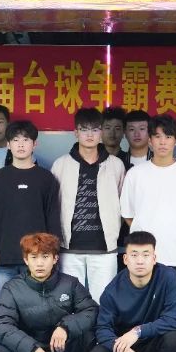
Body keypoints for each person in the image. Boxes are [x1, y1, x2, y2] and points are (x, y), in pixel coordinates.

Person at [0, 232, 98, 352]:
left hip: (60, 351)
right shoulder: (12, 287)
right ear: (26, 260)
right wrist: (32, 349)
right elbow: (0, 324)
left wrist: (65, 327)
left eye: (45, 256)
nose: (39, 263)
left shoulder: (71, 283)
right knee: (4, 348)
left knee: (87, 336)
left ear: (55, 259)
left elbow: (91, 311)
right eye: (34, 257)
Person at [50, 108, 125, 302]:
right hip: (69, 247)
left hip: (104, 248)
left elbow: (121, 203)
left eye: (95, 129)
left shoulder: (116, 165)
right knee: (69, 302)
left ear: (101, 132)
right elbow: (53, 205)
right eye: (84, 129)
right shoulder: (60, 164)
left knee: (103, 302)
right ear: (76, 132)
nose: (90, 135)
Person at [0, 120, 60, 296]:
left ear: (34, 144)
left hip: (38, 257)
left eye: (26, 140)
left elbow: (53, 217)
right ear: (8, 145)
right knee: (3, 302)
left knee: (37, 303)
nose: (21, 145)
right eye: (16, 140)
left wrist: (54, 250)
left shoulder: (46, 178)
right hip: (5, 256)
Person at [120, 115, 176, 273]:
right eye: (157, 136)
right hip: (142, 258)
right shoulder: (135, 174)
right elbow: (127, 215)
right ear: (150, 141)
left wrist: (174, 231)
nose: (163, 142)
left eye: (168, 137)